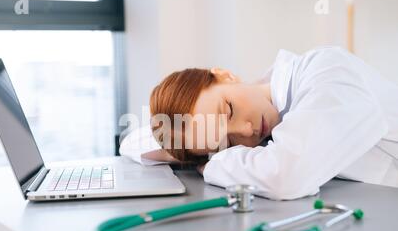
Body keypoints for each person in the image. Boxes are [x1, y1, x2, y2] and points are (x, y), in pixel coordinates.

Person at [120, 46, 398, 200]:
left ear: (224, 75)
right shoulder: (262, 116)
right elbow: (133, 143)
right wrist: (188, 148)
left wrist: (214, 162)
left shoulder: (324, 70)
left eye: (227, 111)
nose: (245, 131)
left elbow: (286, 177)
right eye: (227, 142)